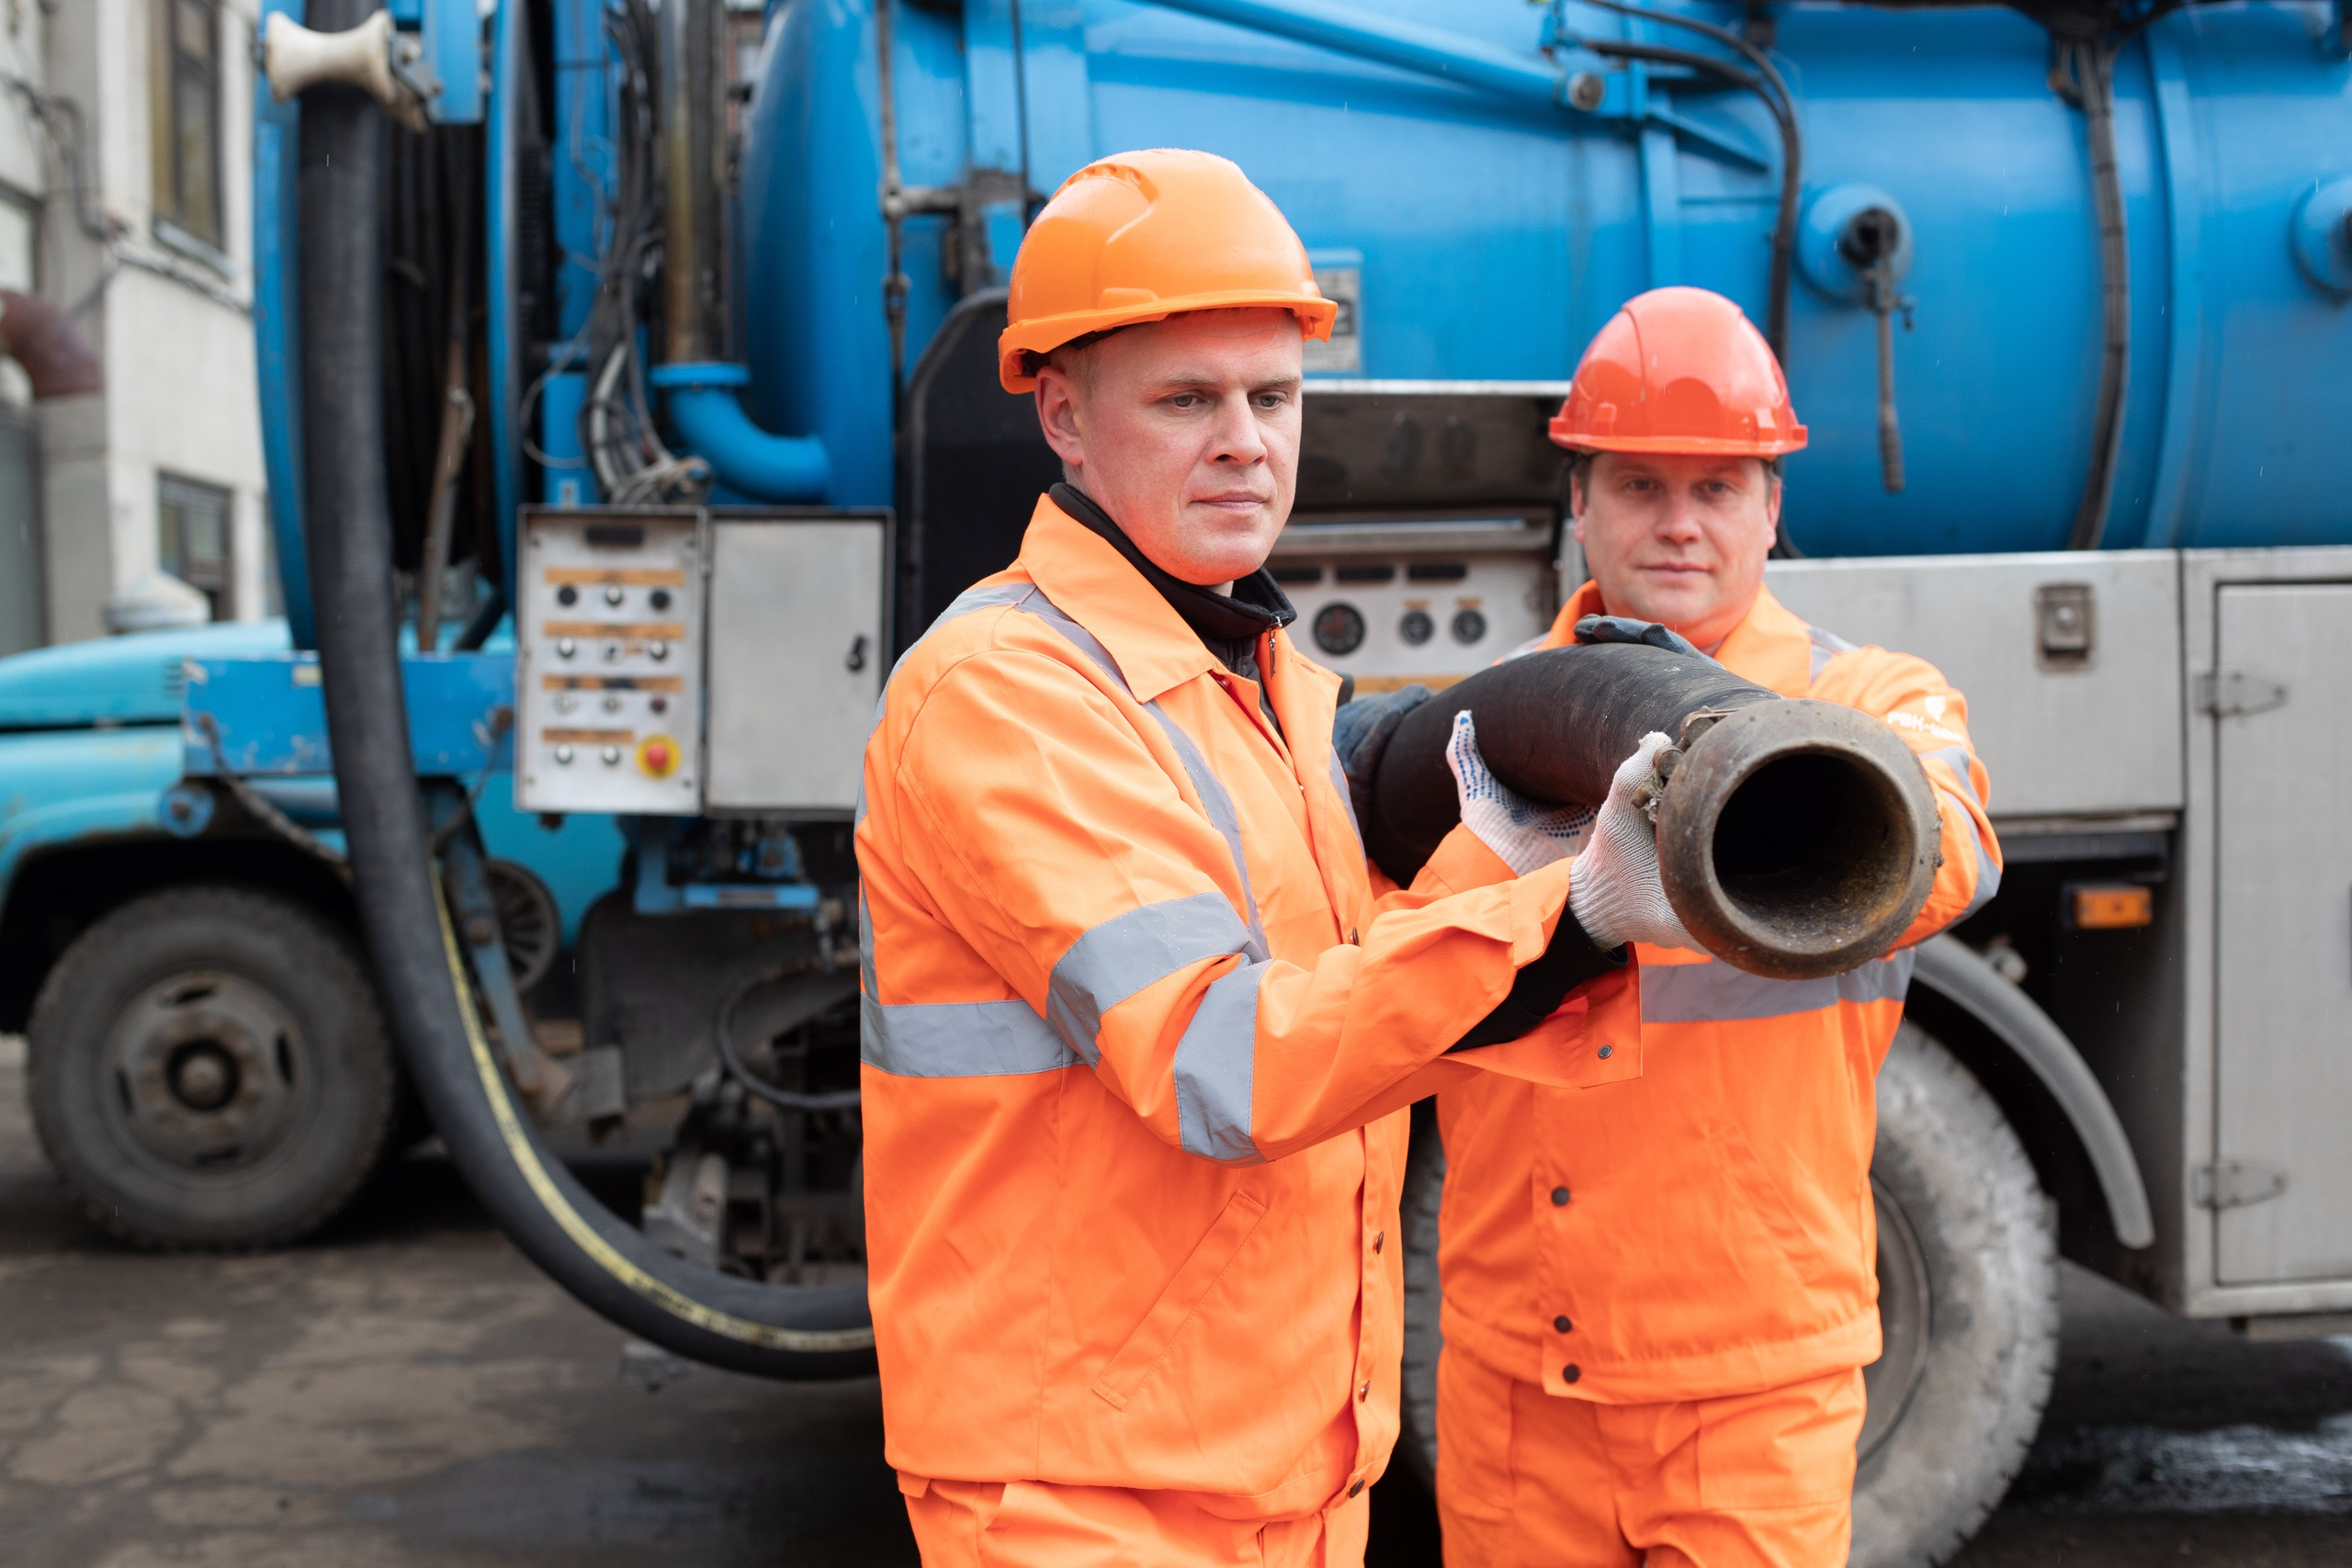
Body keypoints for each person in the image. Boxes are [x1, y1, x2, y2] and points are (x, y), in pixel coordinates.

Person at [854, 151, 1683, 1566]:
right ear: (1061, 412)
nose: (1245, 439)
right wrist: (1573, 917)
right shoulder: (1003, 695)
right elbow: (1225, 1058)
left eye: (1273, 397)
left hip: (1286, 1479)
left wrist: (1509, 853)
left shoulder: (1263, 678)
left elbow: (1354, 1000)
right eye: (1187, 400)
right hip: (1084, 1500)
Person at [1427, 286, 2005, 1567]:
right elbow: (1386, 983)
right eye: (1639, 485)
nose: (1679, 524)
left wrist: (1743, 802)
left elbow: (1950, 841)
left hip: (1755, 1389)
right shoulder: (1479, 732)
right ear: (1578, 501)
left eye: (1718, 488)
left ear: (1773, 508)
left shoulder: (1869, 701)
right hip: (1522, 1389)